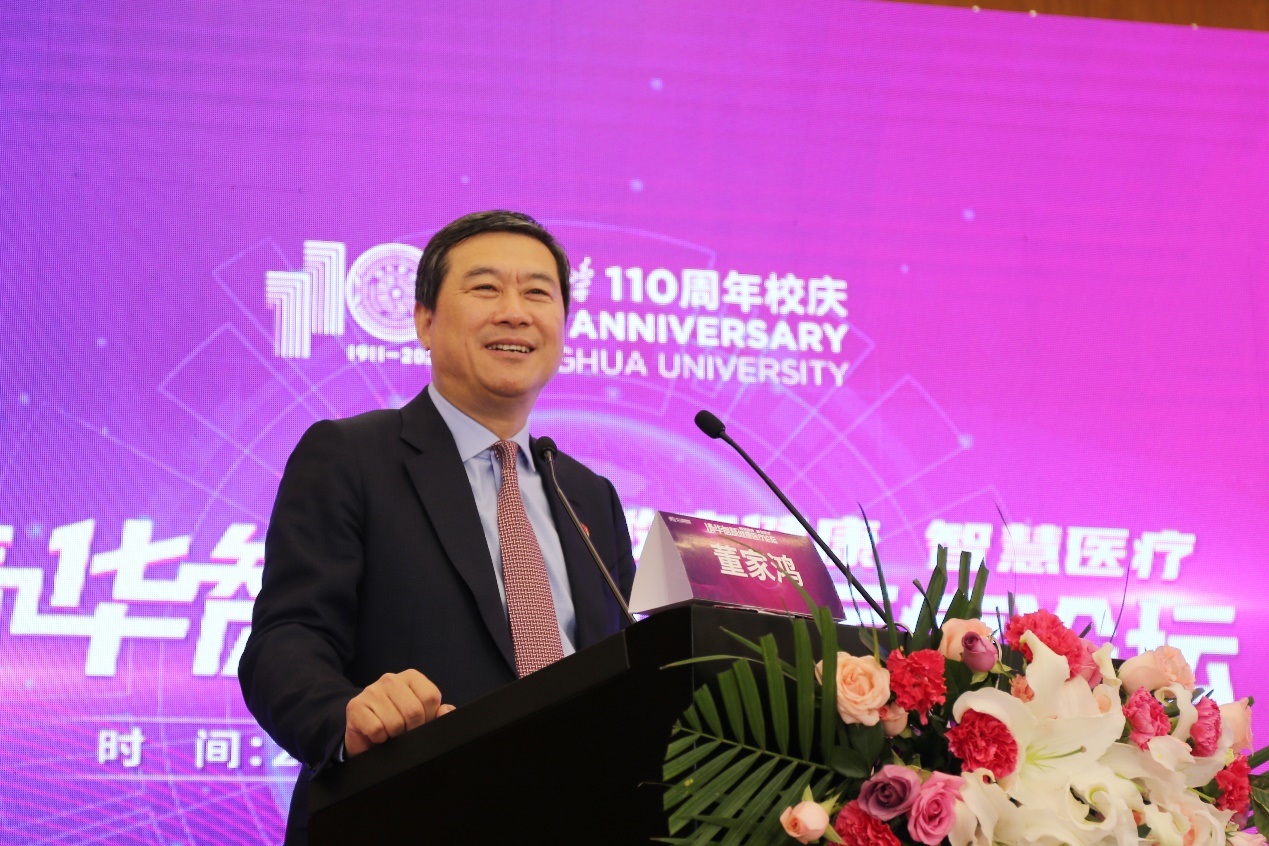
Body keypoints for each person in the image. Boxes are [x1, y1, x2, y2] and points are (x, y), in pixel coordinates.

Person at [239, 210, 636, 845]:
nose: (515, 313)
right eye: (486, 288)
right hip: (403, 818)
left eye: (538, 293)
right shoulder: (351, 456)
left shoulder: (588, 495)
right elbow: (287, 638)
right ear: (424, 321)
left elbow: (626, 673)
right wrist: (344, 716)